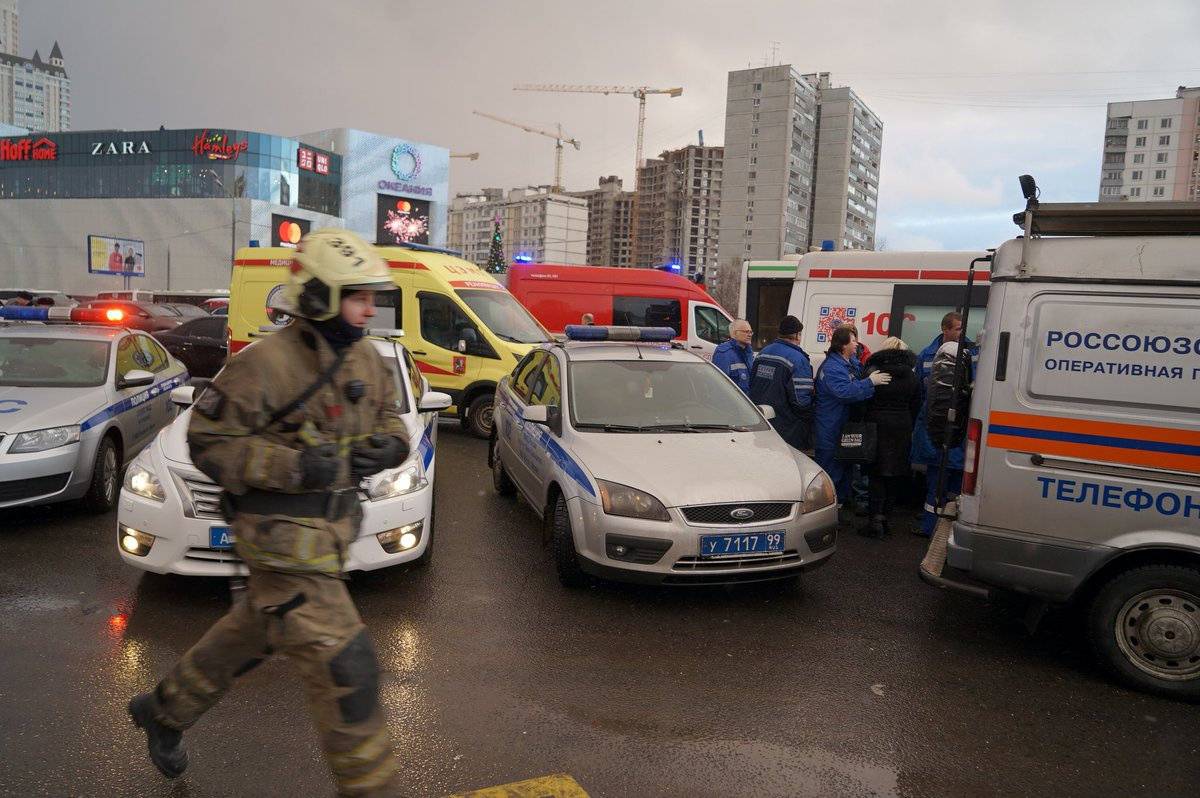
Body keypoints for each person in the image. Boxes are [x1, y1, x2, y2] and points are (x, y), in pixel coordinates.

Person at [128, 229, 409, 796]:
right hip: (281, 542)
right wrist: (297, 468)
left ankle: (164, 710)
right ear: (321, 296)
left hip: (330, 537)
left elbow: (392, 423)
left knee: (250, 632)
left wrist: (391, 444)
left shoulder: (367, 358)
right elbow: (209, 442)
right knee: (347, 669)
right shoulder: (265, 364)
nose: (371, 309)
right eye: (359, 296)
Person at [814, 326, 891, 506]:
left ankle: (839, 507)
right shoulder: (833, 367)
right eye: (853, 340)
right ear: (843, 345)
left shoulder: (848, 363)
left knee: (843, 468)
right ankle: (826, 510)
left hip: (841, 424)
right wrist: (869, 382)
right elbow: (844, 392)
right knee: (830, 472)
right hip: (830, 426)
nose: (857, 344)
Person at [858, 337, 920, 538]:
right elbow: (917, 404)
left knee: (876, 473)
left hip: (877, 425)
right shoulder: (911, 376)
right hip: (902, 426)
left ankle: (874, 519)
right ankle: (887, 519)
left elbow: (862, 399)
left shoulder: (874, 372)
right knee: (894, 473)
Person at [911, 312, 964, 536]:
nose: (963, 333)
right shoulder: (926, 354)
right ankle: (931, 527)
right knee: (936, 481)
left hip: (959, 429)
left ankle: (948, 528)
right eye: (959, 328)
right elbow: (919, 392)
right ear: (946, 329)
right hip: (933, 428)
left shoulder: (970, 353)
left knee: (954, 484)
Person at [748, 315, 814, 451]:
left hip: (762, 420)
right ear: (797, 335)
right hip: (788, 426)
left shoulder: (763, 353)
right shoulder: (798, 359)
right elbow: (801, 401)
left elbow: (752, 384)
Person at [712, 318, 754, 394]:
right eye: (746, 332)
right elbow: (720, 385)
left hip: (746, 402)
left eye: (751, 332)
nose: (750, 334)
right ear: (735, 333)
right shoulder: (724, 353)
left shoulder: (749, 352)